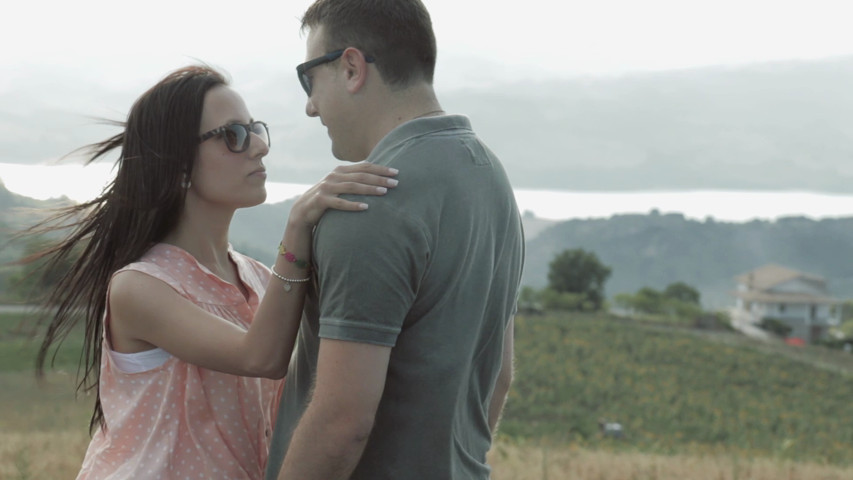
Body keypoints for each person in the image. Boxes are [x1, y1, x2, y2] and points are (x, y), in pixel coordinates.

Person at [25, 65, 398, 480]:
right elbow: (262, 356)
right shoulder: (139, 287)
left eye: (255, 129)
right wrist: (298, 227)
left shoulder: (257, 278)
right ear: (179, 165)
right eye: (233, 136)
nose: (259, 146)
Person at [265, 1, 525, 478]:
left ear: (351, 67)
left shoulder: (368, 199)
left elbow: (342, 422)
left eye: (309, 78)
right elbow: (499, 379)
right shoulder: (490, 178)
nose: (309, 105)